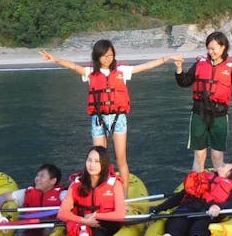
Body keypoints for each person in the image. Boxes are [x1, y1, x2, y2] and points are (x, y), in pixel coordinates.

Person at [40, 40, 183, 196]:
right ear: (97, 56)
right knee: (98, 159)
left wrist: (167, 58)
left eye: (110, 55)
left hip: (118, 118)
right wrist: (55, 59)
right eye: (104, 56)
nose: (108, 59)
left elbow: (145, 66)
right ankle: (99, 194)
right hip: (98, 119)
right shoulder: (90, 73)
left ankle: (125, 196)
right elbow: (74, 66)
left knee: (121, 158)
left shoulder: (121, 70)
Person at [174, 32, 232, 172]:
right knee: (199, 156)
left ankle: (219, 187)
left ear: (223, 47)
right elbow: (184, 82)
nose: (210, 52)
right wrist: (179, 69)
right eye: (208, 48)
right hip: (199, 115)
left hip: (219, 116)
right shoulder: (200, 64)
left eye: (213, 48)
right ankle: (197, 188)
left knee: (217, 157)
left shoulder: (231, 69)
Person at [151, 161, 232, 236]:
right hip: (187, 208)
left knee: (201, 226)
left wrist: (219, 207)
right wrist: (158, 208)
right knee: (177, 222)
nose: (223, 163)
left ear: (231, 173)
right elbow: (180, 196)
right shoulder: (204, 177)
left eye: (226, 165)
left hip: (206, 214)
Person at [57, 146, 126, 236]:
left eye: (96, 161)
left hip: (105, 226)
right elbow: (62, 213)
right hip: (82, 224)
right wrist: (85, 220)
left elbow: (120, 215)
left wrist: (95, 216)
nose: (91, 164)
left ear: (104, 164)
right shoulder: (76, 184)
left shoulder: (114, 184)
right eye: (89, 160)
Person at [0, 164, 65, 236]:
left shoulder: (63, 195)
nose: (37, 179)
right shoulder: (28, 193)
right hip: (29, 235)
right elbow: (2, 197)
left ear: (53, 181)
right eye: (37, 175)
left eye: (42, 176)